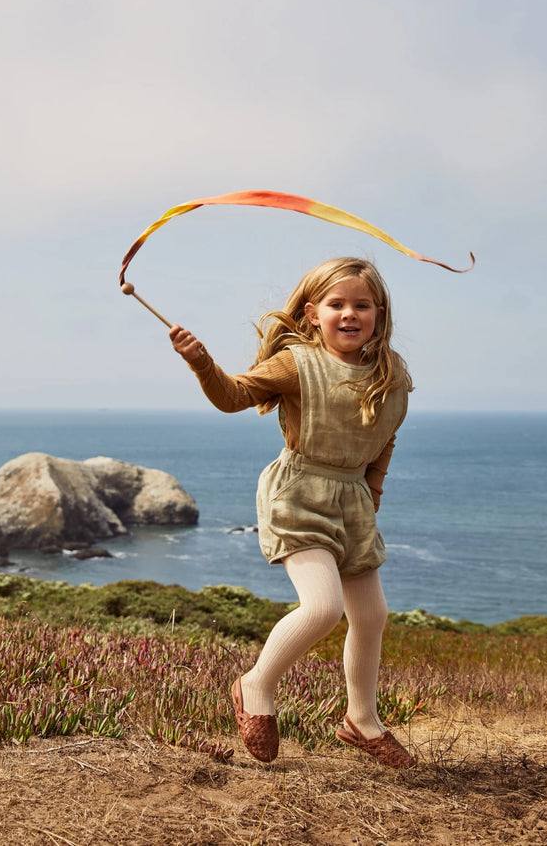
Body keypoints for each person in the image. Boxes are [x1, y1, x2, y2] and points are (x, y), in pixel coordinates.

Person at [169, 256, 414, 768]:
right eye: (336, 304)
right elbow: (232, 396)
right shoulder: (296, 363)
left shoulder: (391, 374)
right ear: (311, 313)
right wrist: (200, 362)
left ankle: (361, 720)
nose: (350, 314)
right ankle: (254, 685)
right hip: (298, 493)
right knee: (323, 608)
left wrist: (372, 498)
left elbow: (383, 442)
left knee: (371, 615)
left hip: (353, 502)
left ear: (379, 312)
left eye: (362, 305)